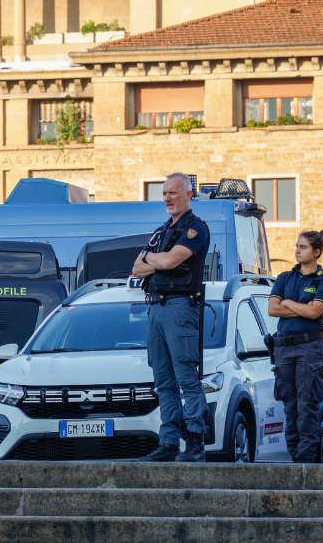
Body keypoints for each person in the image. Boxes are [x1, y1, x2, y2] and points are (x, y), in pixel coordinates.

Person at [132, 173, 210, 462]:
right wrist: (157, 261)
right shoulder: (162, 230)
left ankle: (194, 444)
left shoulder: (195, 229)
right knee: (163, 381)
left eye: (173, 193)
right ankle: (168, 444)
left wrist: (154, 259)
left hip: (180, 307)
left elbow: (166, 261)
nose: (167, 198)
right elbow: (135, 268)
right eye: (164, 193)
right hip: (156, 308)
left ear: (189, 195)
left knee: (186, 379)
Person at [267, 230, 323, 463]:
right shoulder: (284, 278)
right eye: (297, 246)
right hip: (284, 348)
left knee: (308, 404)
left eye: (303, 247)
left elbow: (315, 311)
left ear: (316, 252)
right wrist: (300, 306)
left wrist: (287, 302)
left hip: (310, 348)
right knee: (290, 404)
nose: (297, 250)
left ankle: (306, 459)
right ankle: (294, 455)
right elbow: (272, 309)